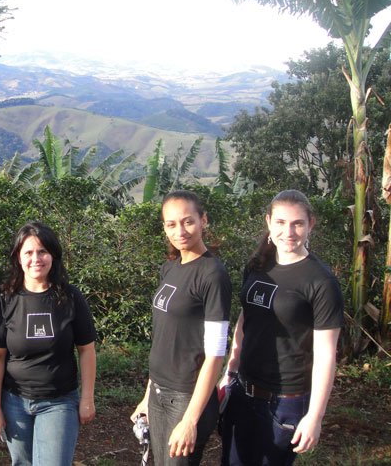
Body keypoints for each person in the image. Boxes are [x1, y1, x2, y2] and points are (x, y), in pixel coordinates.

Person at [218, 190, 343, 465]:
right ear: (268, 222)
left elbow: (326, 355)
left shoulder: (321, 282)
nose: (289, 232)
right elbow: (245, 320)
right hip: (243, 390)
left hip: (285, 402)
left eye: (297, 223)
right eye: (281, 222)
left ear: (311, 224)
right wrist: (230, 371)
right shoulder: (258, 265)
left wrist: (315, 416)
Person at [130, 190, 232, 465]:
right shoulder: (170, 268)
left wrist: (190, 420)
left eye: (188, 222)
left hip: (186, 397)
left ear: (203, 220)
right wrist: (147, 396)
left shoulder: (212, 275)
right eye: (171, 224)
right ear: (164, 227)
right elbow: (163, 338)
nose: (180, 231)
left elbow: (215, 354)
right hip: (158, 393)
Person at [0, 221, 97, 466]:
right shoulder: (5, 300)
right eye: (28, 252)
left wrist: (87, 398)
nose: (36, 259)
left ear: (53, 255)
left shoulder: (70, 297)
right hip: (14, 401)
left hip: (59, 401)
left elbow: (86, 350)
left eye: (42, 251)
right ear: (18, 257)